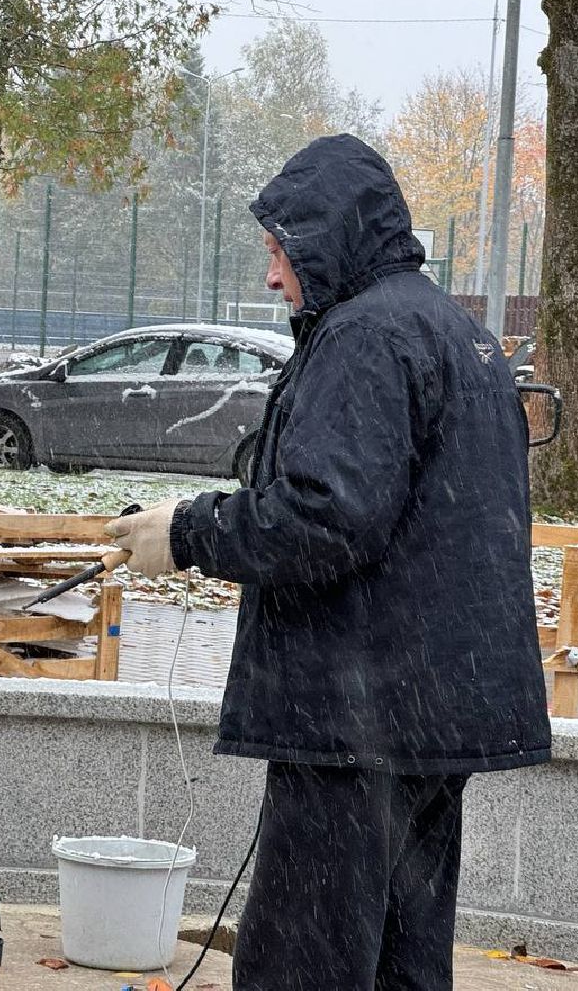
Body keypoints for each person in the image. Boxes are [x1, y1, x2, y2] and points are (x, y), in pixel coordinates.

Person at [106, 134, 551, 990]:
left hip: (358, 718)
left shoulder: (365, 337)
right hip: (432, 714)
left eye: (279, 251)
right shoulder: (457, 332)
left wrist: (191, 533)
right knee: (402, 964)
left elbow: (325, 517)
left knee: (302, 965)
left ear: (325, 239)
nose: (272, 276)